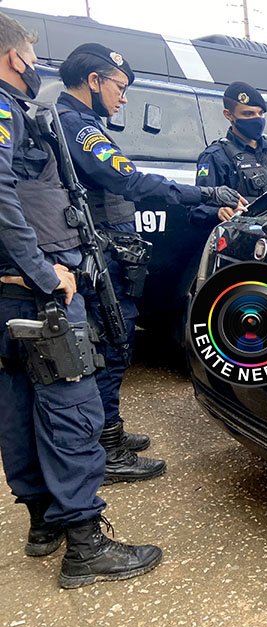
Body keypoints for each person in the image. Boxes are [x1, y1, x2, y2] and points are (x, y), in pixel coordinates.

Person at [0, 12, 161, 588]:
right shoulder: (6, 110)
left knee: (18, 404)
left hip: (8, 294)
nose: (33, 62)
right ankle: (86, 548)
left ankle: (44, 523)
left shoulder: (27, 116)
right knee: (71, 407)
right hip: (35, 292)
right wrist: (44, 273)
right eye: (29, 52)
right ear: (15, 56)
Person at [55, 43, 247, 483]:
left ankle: (110, 433)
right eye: (119, 87)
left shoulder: (77, 122)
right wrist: (204, 194)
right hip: (98, 259)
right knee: (111, 348)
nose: (123, 98)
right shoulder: (78, 126)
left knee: (114, 345)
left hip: (102, 255)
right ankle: (107, 450)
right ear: (94, 81)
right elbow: (129, 179)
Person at [190, 81, 267, 225]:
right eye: (248, 114)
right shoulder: (215, 156)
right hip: (242, 236)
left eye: (260, 113)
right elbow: (196, 210)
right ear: (228, 115)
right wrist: (217, 212)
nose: (257, 119)